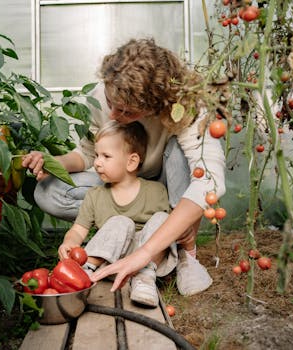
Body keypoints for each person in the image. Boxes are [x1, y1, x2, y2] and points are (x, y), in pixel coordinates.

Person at [22, 38, 226, 296]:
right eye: (110, 103)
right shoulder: (102, 96)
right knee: (48, 191)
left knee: (183, 158)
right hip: (121, 182)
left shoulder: (187, 106)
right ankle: (126, 234)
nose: (113, 116)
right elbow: (87, 153)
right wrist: (54, 163)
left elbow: (209, 180)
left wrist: (144, 254)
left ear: (155, 107)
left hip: (166, 190)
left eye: (128, 113)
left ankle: (182, 251)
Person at [57, 120, 176, 307]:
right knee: (121, 222)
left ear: (131, 162)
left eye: (106, 156)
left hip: (146, 260)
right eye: (96, 155)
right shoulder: (95, 195)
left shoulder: (156, 191)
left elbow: (168, 235)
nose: (96, 162)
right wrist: (69, 243)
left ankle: (144, 279)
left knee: (164, 220)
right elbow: (78, 230)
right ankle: (88, 270)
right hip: (110, 260)